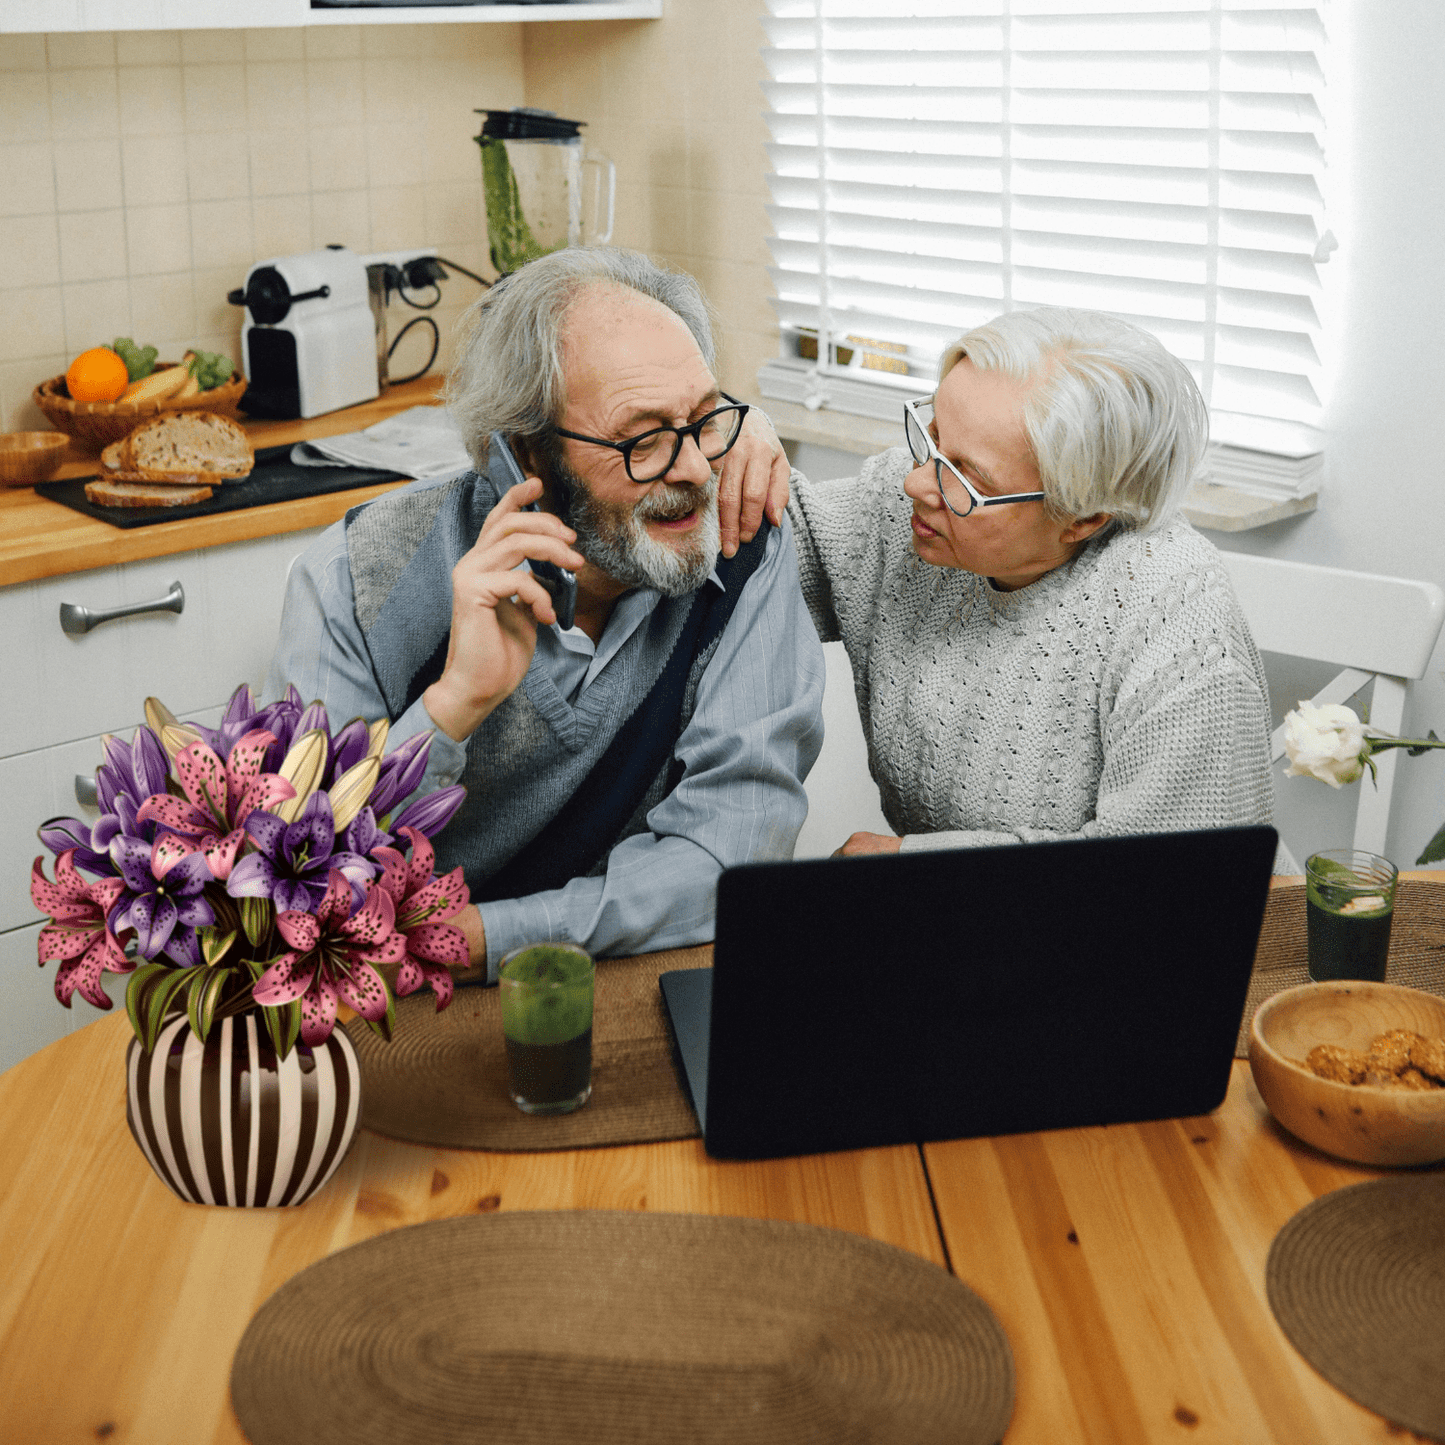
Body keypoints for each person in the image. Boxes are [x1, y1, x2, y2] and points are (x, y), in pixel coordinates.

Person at [267, 247, 824, 979]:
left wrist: (487, 938)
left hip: (632, 987)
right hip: (397, 1006)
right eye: (643, 439)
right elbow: (310, 887)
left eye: (702, 419)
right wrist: (452, 705)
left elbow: (726, 859)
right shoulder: (351, 579)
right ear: (526, 455)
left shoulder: (742, 537)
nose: (691, 468)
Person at [785, 305, 1277, 858]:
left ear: (1083, 518)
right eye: (933, 435)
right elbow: (764, 546)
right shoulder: (919, 507)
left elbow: (1166, 881)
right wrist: (741, 440)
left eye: (966, 476)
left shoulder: (1177, 618)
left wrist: (912, 866)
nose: (915, 481)